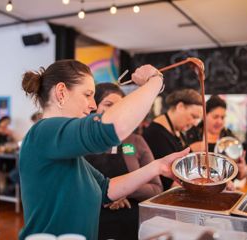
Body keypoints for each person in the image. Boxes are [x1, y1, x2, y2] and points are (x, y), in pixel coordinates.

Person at [19, 59, 190, 240]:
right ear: (61, 93)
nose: (93, 105)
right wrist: (155, 81)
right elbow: (109, 129)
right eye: (87, 94)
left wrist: (157, 167)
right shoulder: (44, 132)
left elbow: (106, 189)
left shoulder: (66, 151)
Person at [85, 83, 163, 240]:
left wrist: (123, 190)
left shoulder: (136, 141)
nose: (116, 110)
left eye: (121, 105)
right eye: (108, 104)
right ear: (94, 107)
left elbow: (156, 189)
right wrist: (106, 195)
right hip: (90, 223)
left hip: (129, 225)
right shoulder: (83, 142)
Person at [142, 89, 203, 190]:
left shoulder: (178, 131)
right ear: (180, 107)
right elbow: (169, 182)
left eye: (198, 119)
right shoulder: (155, 134)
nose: (195, 123)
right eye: (193, 116)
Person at [185, 95, 247, 181]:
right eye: (215, 117)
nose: (220, 121)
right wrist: (191, 150)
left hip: (226, 188)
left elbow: (241, 176)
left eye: (222, 117)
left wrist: (242, 169)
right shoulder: (192, 134)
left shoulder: (229, 137)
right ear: (205, 115)